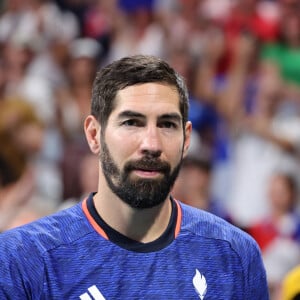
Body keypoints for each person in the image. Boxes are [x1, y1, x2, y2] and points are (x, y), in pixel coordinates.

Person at [0, 55, 269, 299]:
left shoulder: (235, 256)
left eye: (166, 124)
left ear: (186, 139)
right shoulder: (24, 259)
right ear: (94, 134)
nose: (151, 144)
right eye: (131, 122)